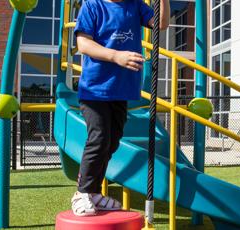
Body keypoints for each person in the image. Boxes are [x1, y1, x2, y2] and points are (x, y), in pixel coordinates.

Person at [70, 0, 170, 216]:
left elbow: (161, 23)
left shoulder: (134, 6)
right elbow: (83, 44)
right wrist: (116, 56)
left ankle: (94, 193)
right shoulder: (93, 6)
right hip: (95, 89)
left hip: (121, 90)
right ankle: (82, 192)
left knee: (112, 141)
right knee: (99, 138)